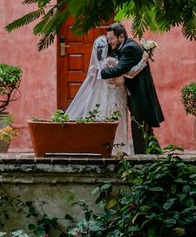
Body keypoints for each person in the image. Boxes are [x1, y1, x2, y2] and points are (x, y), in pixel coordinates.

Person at [66, 34, 150, 154]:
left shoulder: (97, 66)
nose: (112, 43)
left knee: (105, 118)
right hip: (117, 94)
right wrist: (143, 61)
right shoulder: (111, 61)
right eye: (109, 42)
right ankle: (118, 151)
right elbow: (129, 73)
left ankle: (105, 148)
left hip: (105, 95)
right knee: (118, 121)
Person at [99, 22, 164, 154]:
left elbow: (120, 70)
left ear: (121, 37)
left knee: (139, 128)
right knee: (145, 128)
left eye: (111, 39)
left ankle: (141, 162)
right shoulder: (126, 46)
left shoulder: (129, 48)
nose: (110, 42)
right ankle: (158, 158)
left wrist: (100, 73)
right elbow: (128, 72)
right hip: (136, 92)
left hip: (139, 94)